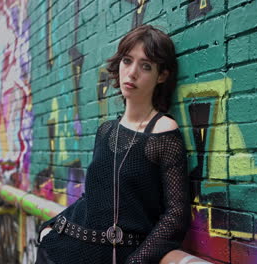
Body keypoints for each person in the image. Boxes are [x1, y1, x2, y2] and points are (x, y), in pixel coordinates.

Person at [36, 24, 190, 264]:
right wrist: (51, 227)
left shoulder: (162, 132)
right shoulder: (107, 130)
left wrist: (137, 261)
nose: (132, 73)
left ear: (162, 75)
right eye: (127, 61)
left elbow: (176, 216)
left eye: (145, 66)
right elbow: (92, 198)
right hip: (67, 249)